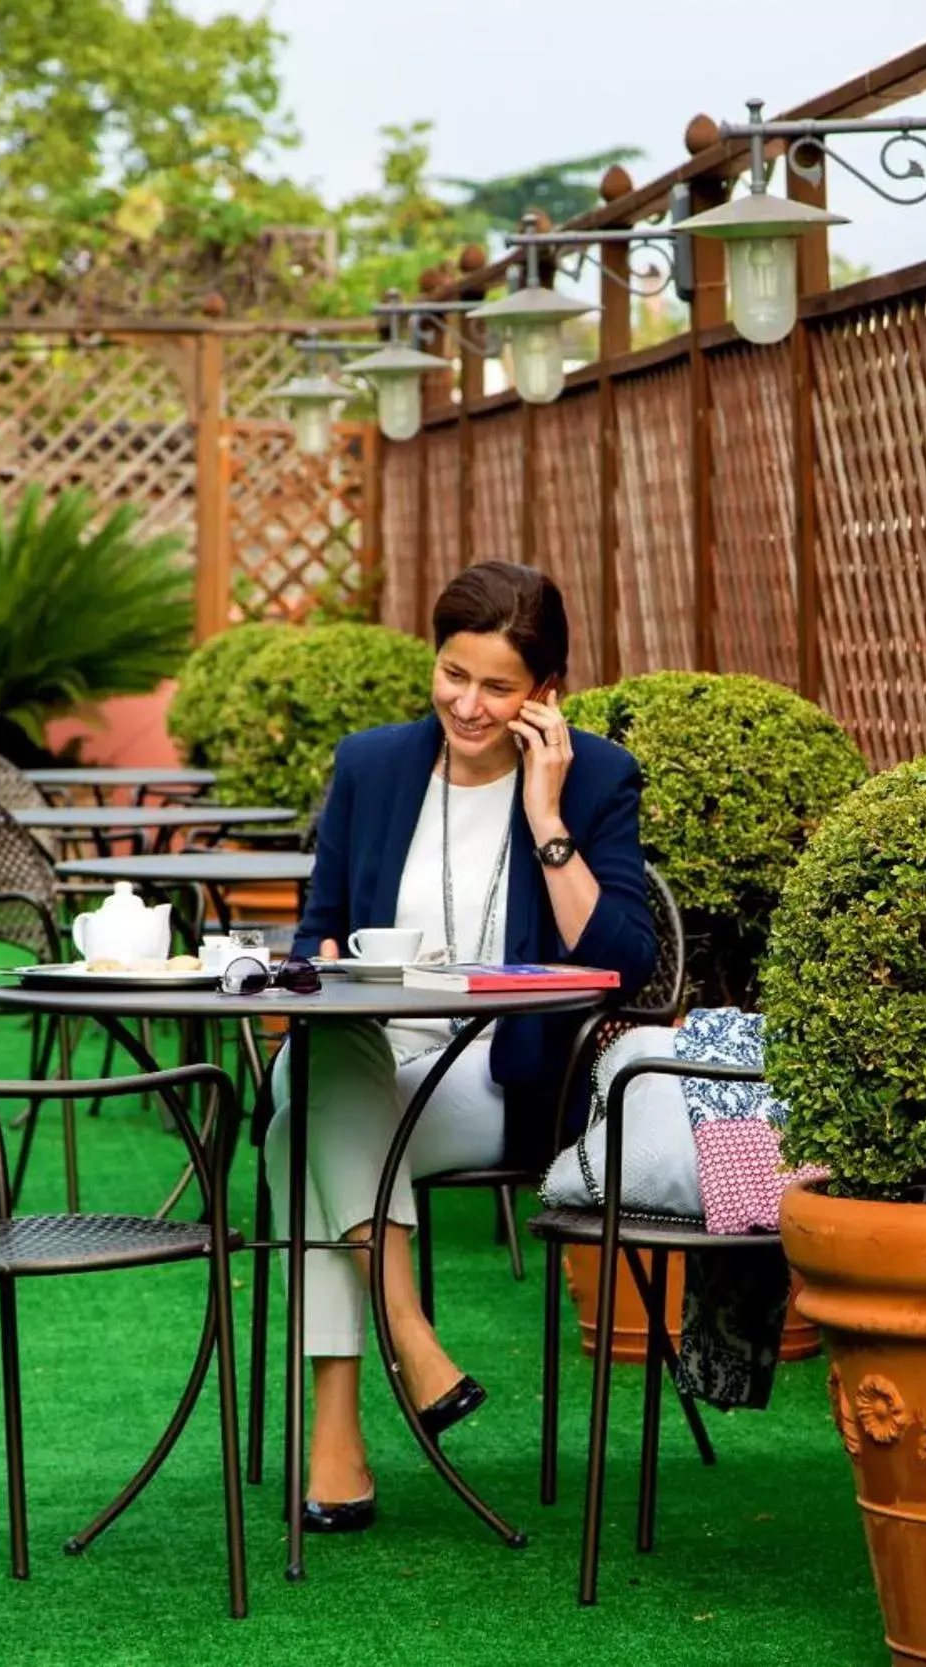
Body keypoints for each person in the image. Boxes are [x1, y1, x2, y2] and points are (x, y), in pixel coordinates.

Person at [262, 560, 658, 1532]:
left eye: (497, 686)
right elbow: (320, 927)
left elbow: (621, 962)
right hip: (367, 1056)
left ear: (544, 696)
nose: (467, 705)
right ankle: (406, 1338)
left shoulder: (596, 775)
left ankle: (344, 1422)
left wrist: (546, 818)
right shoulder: (372, 764)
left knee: (293, 1127)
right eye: (452, 674)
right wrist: (309, 967)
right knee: (313, 1076)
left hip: (501, 1078)